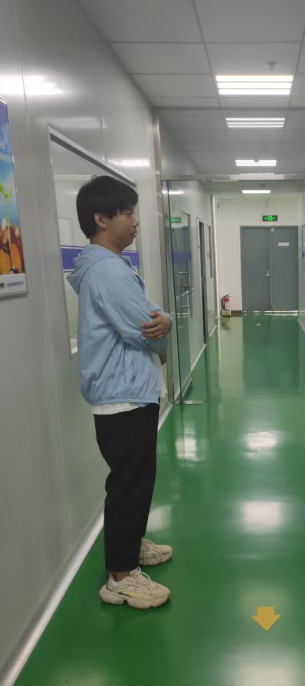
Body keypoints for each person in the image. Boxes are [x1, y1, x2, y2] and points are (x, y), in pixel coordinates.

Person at [68, 176, 174, 610]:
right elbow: (143, 327)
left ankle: (130, 546)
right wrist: (163, 325)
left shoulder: (110, 265)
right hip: (122, 394)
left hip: (129, 391)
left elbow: (151, 316)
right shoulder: (108, 270)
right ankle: (121, 576)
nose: (135, 221)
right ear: (101, 219)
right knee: (129, 484)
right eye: (127, 213)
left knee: (137, 479)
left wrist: (163, 319)